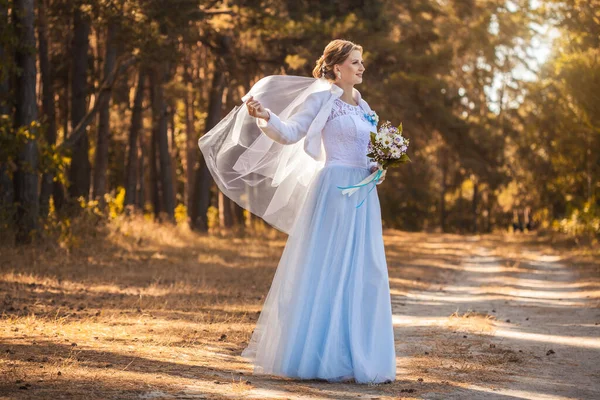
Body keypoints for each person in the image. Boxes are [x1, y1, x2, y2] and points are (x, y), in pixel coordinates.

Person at [199, 39, 396, 384]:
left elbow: (367, 153)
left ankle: (357, 356)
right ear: (337, 68)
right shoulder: (322, 98)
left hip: (363, 196)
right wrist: (265, 116)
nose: (362, 67)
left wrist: (379, 166)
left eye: (361, 62)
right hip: (334, 190)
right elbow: (290, 133)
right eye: (355, 62)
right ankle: (320, 357)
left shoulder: (366, 108)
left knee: (365, 271)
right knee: (329, 268)